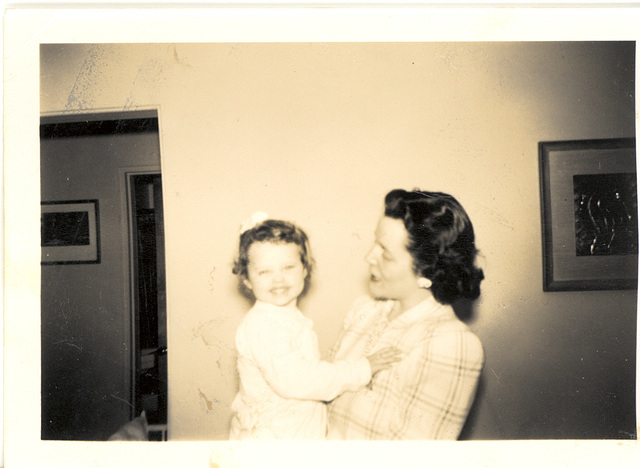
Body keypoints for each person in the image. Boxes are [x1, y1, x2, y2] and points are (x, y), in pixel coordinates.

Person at [327, 189, 485, 440]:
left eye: (386, 253)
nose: (369, 257)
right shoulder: (364, 310)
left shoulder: (452, 342)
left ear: (426, 272)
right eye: (374, 243)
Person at [229, 212, 402, 440]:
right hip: (272, 446)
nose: (278, 279)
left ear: (305, 269)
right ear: (247, 280)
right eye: (264, 272)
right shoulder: (263, 325)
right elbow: (298, 380)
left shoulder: (285, 317)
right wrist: (362, 369)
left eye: (288, 267)